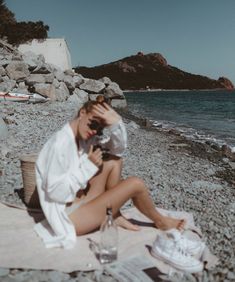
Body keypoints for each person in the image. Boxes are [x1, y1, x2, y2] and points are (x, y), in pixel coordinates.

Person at [34, 96, 185, 249]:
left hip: (79, 202)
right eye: (93, 124)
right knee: (135, 184)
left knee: (114, 161)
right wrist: (88, 167)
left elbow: (117, 151)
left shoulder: (82, 139)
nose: (94, 131)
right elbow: (56, 193)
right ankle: (161, 221)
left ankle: (114, 214)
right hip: (69, 217)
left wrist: (116, 124)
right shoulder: (61, 144)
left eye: (99, 129)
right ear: (82, 113)